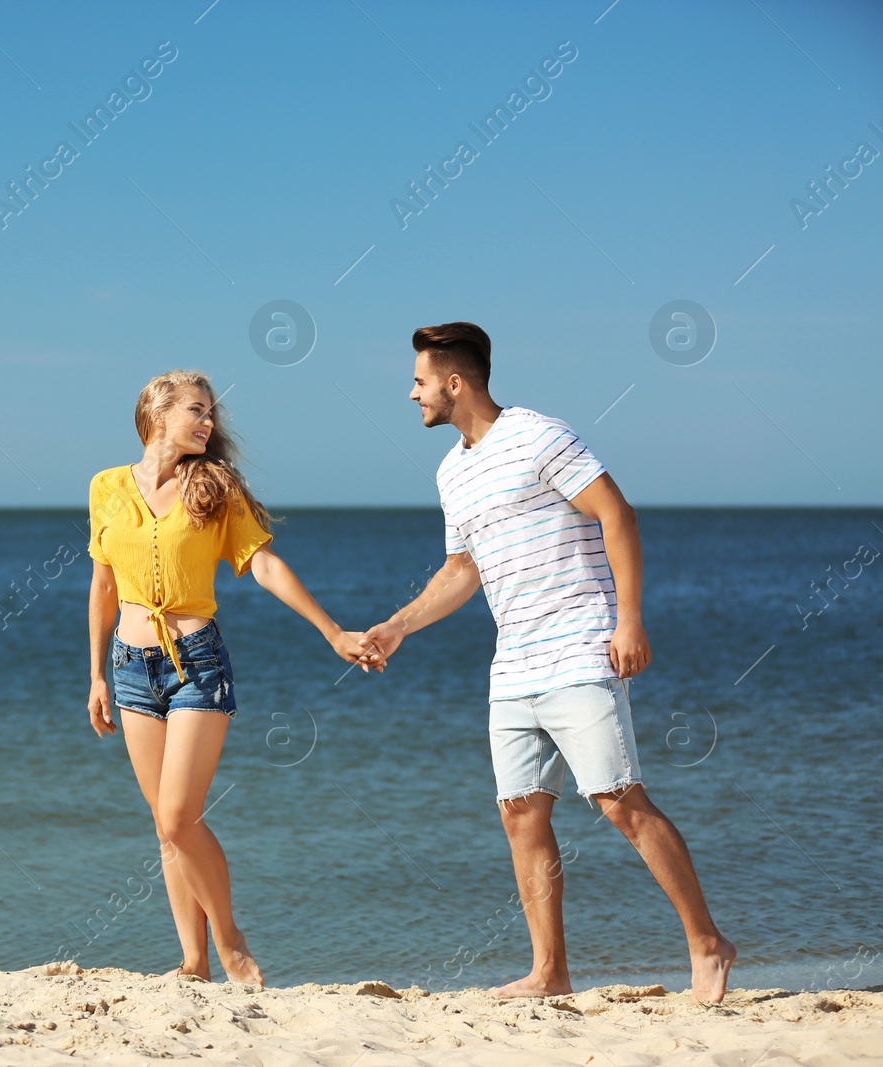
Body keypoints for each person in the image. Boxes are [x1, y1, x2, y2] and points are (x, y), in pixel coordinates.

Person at [359, 322, 735, 1004]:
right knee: (520, 813)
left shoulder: (539, 435)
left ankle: (708, 942)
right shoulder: (452, 470)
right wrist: (398, 626)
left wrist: (629, 618)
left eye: (418, 381)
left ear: (454, 382)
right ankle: (549, 971)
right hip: (514, 667)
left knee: (619, 800)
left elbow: (616, 514)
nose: (410, 393)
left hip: (580, 646)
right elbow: (459, 570)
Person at [86, 369, 379, 986]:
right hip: (130, 667)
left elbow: (264, 564)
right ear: (157, 413)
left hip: (196, 663)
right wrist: (96, 676)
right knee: (164, 828)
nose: (208, 422)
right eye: (197, 409)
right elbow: (104, 584)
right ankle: (191, 965)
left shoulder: (215, 487)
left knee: (178, 817)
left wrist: (331, 632)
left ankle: (230, 939)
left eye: (211, 413)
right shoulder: (107, 487)